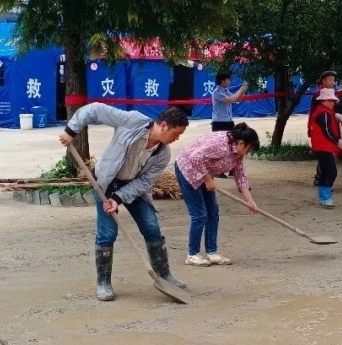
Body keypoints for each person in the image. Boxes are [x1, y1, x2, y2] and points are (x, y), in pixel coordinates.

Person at [60, 104, 190, 300]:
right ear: (164, 125)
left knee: (152, 227)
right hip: (105, 183)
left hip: (134, 188)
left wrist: (118, 198)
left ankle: (164, 275)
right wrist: (71, 131)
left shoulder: (163, 154)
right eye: (176, 133)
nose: (177, 138)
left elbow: (144, 182)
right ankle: (103, 283)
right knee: (107, 233)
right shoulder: (132, 121)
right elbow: (94, 109)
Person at [175, 123, 261, 266]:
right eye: (249, 148)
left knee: (213, 212)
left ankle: (212, 252)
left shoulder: (238, 154)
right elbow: (195, 157)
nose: (248, 152)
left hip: (205, 174)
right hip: (188, 170)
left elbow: (240, 176)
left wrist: (250, 201)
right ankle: (192, 254)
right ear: (241, 143)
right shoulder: (221, 144)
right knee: (199, 214)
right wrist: (208, 179)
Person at [309, 88, 342, 208]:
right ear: (322, 101)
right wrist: (337, 141)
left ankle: (324, 197)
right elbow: (327, 130)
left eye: (333, 101)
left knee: (327, 172)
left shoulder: (324, 111)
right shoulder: (323, 112)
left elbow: (327, 124)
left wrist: (335, 116)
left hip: (323, 146)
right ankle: (325, 198)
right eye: (329, 100)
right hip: (322, 146)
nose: (331, 103)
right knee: (330, 172)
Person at [309, 70, 338, 186]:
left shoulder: (332, 93)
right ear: (323, 81)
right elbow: (314, 112)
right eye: (330, 80)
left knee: (327, 157)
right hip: (321, 130)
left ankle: (324, 181)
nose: (332, 82)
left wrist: (336, 116)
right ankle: (321, 179)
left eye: (333, 80)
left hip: (328, 127)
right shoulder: (318, 95)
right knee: (325, 158)